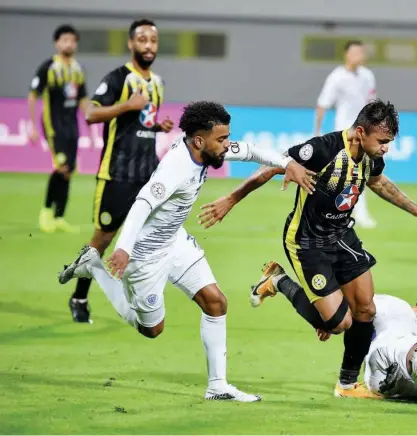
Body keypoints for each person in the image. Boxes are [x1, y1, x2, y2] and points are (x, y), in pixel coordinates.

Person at [57, 101, 315, 401]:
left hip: (175, 241)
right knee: (151, 329)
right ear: (198, 140)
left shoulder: (209, 147)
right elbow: (142, 204)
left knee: (216, 303)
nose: (226, 145)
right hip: (144, 255)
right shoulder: (175, 167)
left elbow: (252, 149)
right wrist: (124, 249)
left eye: (226, 137)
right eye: (221, 140)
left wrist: (289, 164)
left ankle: (217, 386)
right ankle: (94, 267)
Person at [199, 100, 417, 398]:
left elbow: (379, 184)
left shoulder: (370, 157)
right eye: (382, 142)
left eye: (389, 142)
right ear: (360, 132)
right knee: (339, 322)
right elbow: (273, 166)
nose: (385, 148)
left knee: (366, 308)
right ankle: (277, 280)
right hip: (307, 242)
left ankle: (347, 385)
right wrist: (232, 198)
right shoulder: (322, 150)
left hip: (342, 236)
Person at [248, 273, 417, 410]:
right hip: (388, 355)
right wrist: (332, 320)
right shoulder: (399, 308)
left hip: (391, 368)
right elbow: (362, 306)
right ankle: (280, 279)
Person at [69, 18, 174, 323]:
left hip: (148, 175)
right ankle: (79, 296)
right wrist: (126, 106)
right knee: (102, 239)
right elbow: (90, 113)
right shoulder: (117, 78)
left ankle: (144, 299)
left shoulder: (158, 82)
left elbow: (140, 124)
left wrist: (156, 126)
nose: (148, 46)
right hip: (117, 175)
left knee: (151, 238)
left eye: (153, 40)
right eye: (142, 40)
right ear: (131, 44)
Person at [29, 24, 89, 234]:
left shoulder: (78, 69)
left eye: (72, 40)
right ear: (57, 43)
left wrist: (89, 125)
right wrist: (33, 127)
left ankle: (59, 217)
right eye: (65, 40)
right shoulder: (48, 68)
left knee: (69, 172)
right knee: (60, 167)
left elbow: (82, 99)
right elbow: (33, 96)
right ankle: (45, 213)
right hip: (53, 127)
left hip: (72, 128)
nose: (69, 44)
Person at [315, 40, 378, 229]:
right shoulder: (336, 77)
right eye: (356, 52)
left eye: (362, 52)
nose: (360, 56)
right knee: (342, 173)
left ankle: (359, 212)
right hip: (344, 131)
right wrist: (317, 132)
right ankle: (331, 211)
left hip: (364, 131)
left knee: (360, 171)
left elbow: (372, 102)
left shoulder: (367, 76)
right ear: (347, 55)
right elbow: (322, 104)